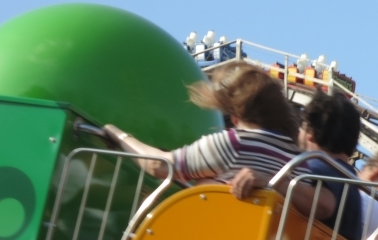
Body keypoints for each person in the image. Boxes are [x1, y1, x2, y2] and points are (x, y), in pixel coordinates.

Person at [104, 64, 320, 212]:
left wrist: (121, 136)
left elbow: (158, 165)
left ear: (235, 116)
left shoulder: (234, 144)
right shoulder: (299, 160)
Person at [230, 89, 364, 240]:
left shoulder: (317, 167)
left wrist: (269, 180)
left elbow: (324, 205)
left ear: (310, 132)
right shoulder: (350, 178)